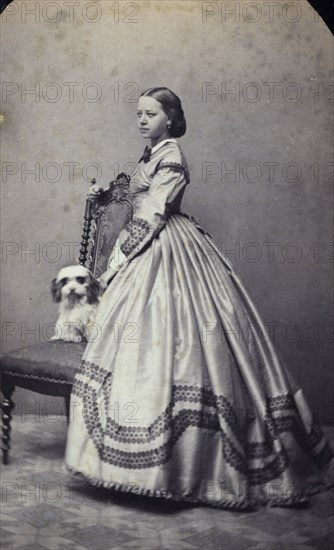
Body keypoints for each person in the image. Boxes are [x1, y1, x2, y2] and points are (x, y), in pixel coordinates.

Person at [65, 87, 334, 509]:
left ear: (170, 119)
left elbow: (153, 213)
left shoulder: (173, 157)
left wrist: (113, 266)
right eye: (138, 113)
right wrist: (106, 196)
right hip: (150, 243)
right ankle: (126, 466)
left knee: (183, 345)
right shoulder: (150, 154)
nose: (141, 120)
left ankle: (185, 469)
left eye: (150, 114)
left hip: (166, 247)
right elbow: (135, 194)